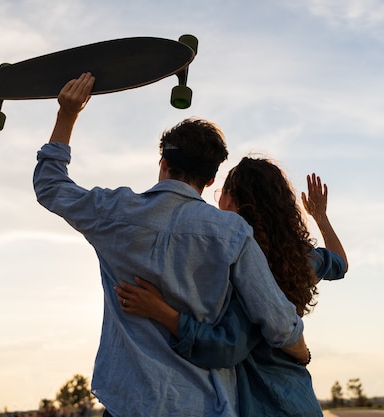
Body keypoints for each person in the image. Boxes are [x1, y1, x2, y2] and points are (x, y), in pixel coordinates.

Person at [33, 73, 310, 417]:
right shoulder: (231, 232)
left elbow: (50, 186)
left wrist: (68, 115)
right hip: (204, 404)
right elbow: (277, 320)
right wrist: (302, 352)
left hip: (127, 404)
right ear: (210, 180)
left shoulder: (114, 212)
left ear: (163, 163)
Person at [114, 157, 348, 416]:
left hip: (266, 405)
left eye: (221, 193)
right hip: (301, 400)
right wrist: (320, 216)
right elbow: (340, 263)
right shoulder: (300, 259)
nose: (217, 203)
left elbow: (226, 347)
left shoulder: (244, 270)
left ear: (236, 202)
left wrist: (160, 312)